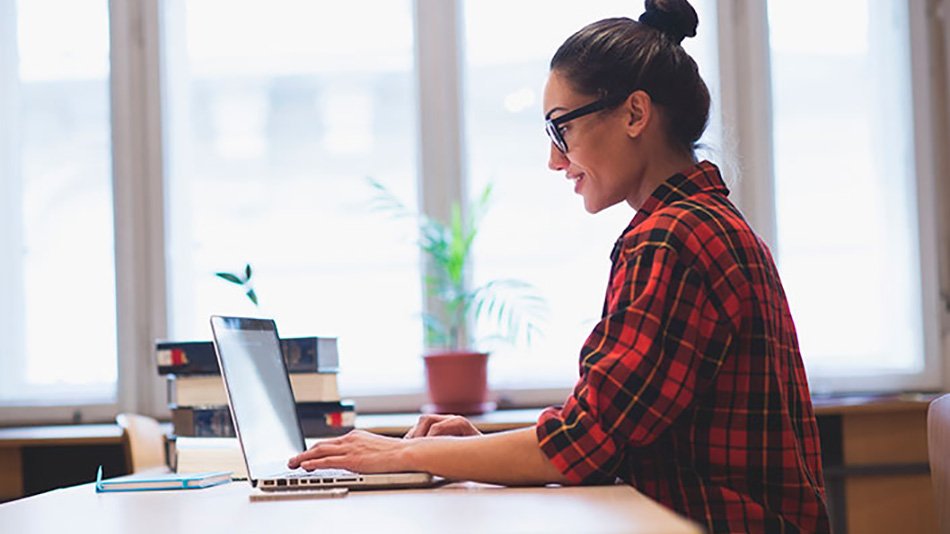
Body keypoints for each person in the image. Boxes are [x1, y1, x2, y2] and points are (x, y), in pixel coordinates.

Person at [289, 0, 830, 531]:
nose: (554, 159)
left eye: (560, 128)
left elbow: (583, 444)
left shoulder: (672, 238)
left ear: (635, 114)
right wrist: (476, 452)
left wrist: (399, 456)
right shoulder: (700, 222)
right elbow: (606, 438)